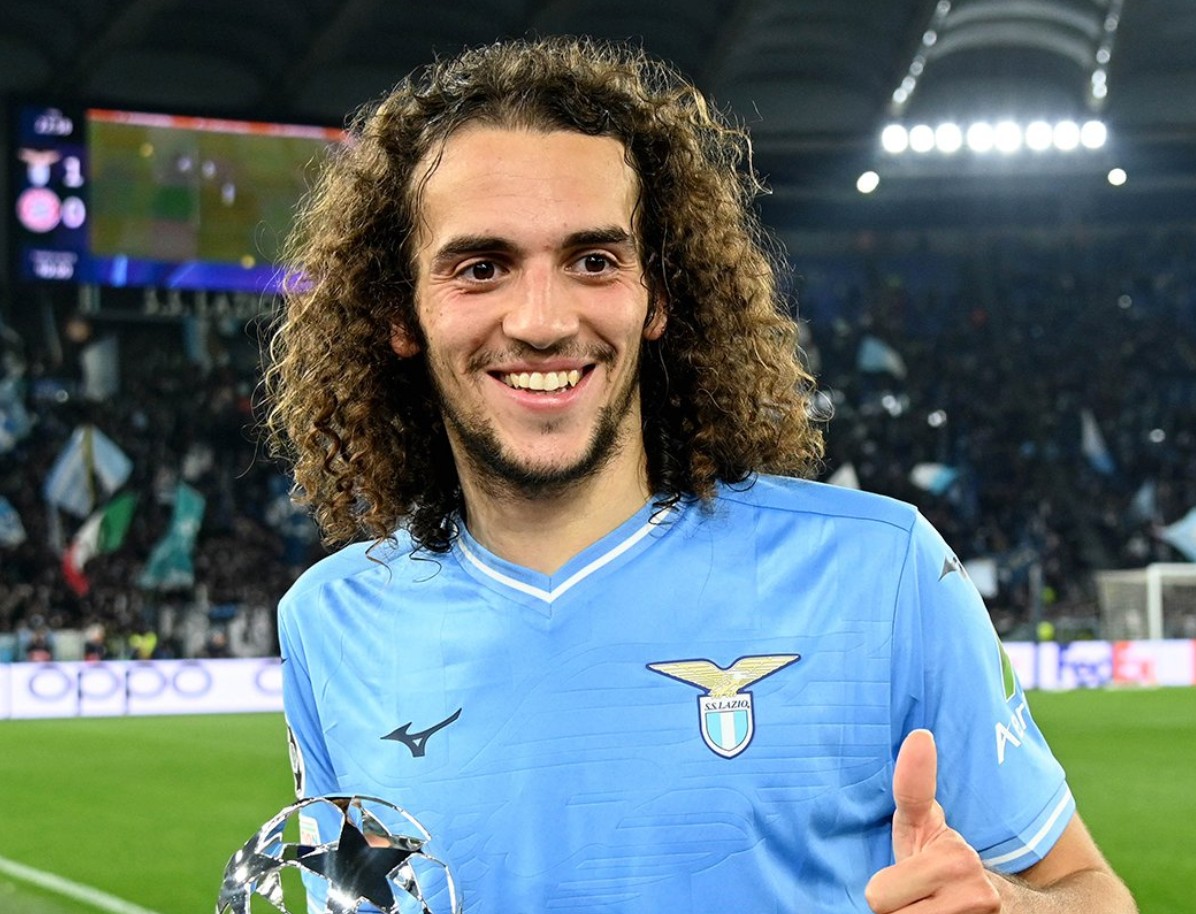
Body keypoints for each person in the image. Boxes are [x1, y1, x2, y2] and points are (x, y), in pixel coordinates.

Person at [263, 36, 1136, 914]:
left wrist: (1010, 906)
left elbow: (1092, 895)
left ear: (659, 297)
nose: (541, 320)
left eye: (594, 261)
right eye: (481, 268)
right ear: (400, 315)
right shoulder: (329, 621)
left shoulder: (884, 572)